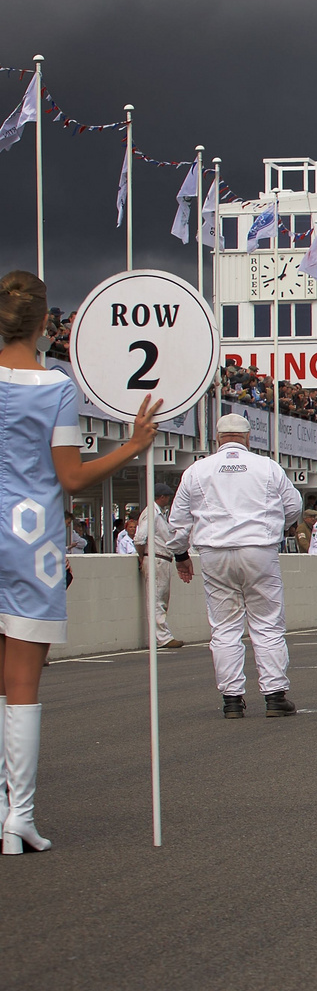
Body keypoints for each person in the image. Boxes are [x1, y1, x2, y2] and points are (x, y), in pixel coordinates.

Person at [0, 271, 161, 852]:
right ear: (46, 324)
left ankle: (2, 813)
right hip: (32, 543)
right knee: (22, 685)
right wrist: (134, 446)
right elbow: (70, 477)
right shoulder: (56, 386)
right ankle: (18, 817)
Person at [167, 413, 304, 718]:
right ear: (247, 438)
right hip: (259, 549)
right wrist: (276, 528)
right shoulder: (267, 467)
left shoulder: (196, 470)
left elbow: (177, 524)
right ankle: (274, 695)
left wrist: (180, 555)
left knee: (224, 627)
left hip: (214, 553)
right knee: (266, 623)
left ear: (217, 439)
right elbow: (294, 506)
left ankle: (231, 699)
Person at [133, 483, 187, 650]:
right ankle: (162, 637)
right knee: (157, 599)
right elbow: (140, 538)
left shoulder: (158, 513)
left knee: (161, 598)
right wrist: (142, 556)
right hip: (155, 558)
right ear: (161, 497)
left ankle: (163, 635)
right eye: (167, 497)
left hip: (162, 558)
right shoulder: (152, 513)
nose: (169, 500)